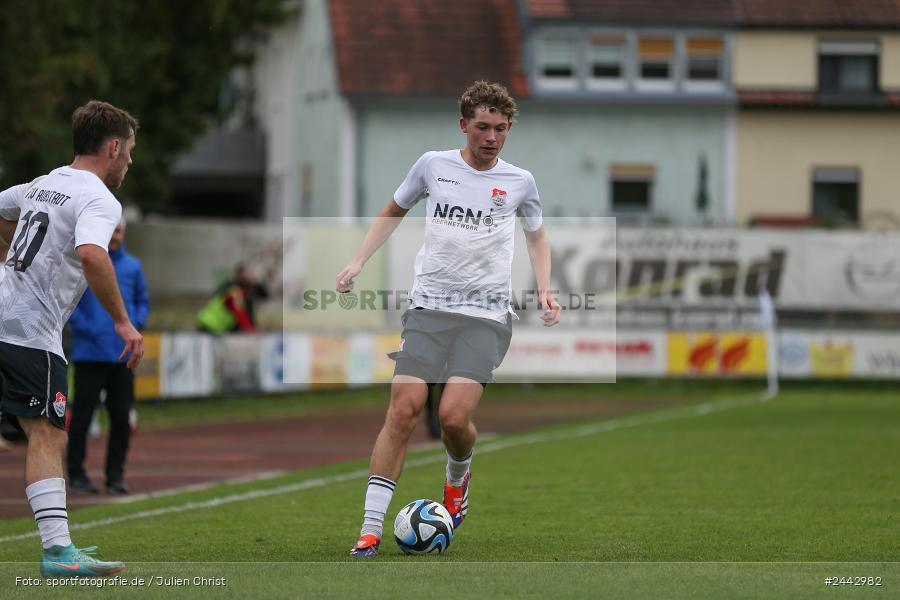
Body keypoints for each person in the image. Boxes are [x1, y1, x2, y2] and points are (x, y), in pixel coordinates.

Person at [336, 81, 561, 557]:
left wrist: (544, 288)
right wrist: (358, 261)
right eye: (483, 127)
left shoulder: (520, 181)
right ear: (464, 125)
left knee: (453, 418)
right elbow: (393, 211)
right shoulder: (432, 165)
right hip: (429, 310)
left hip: (486, 316)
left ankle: (457, 479)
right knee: (403, 409)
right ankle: (370, 529)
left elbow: (537, 237)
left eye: (501, 128)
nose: (492, 137)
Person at [0, 100, 144, 577]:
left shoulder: (42, 184)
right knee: (47, 433)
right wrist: (123, 322)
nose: (130, 161)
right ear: (113, 147)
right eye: (129, 151)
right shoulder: (99, 198)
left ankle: (60, 550)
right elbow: (92, 254)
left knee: (34, 431)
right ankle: (59, 552)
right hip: (29, 332)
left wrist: (14, 259)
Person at [67, 218, 149, 495]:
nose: (114, 236)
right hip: (89, 354)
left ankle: (115, 476)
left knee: (121, 418)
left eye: (118, 231)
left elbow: (142, 302)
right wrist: (89, 330)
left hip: (123, 357)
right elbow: (70, 304)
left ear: (124, 233)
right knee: (82, 417)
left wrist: (136, 323)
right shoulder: (84, 261)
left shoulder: (133, 266)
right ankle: (76, 474)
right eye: (110, 231)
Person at [197, 263, 269, 333]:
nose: (249, 293)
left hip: (212, 326)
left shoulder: (236, 293)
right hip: (209, 326)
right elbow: (240, 314)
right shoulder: (234, 294)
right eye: (249, 290)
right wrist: (251, 330)